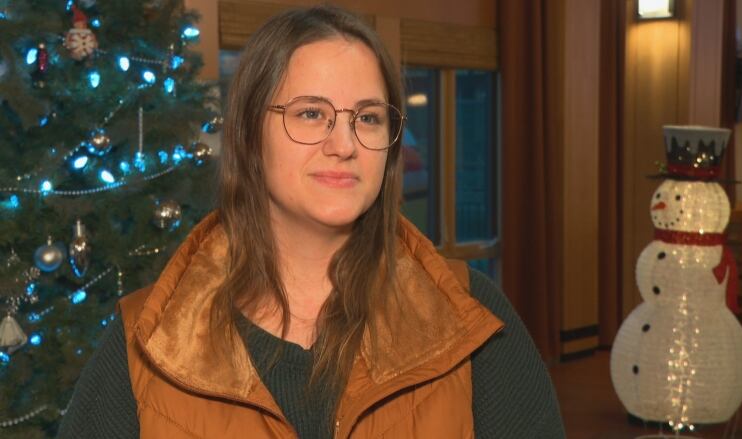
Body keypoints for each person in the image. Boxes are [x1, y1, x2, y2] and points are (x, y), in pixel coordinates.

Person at [57, 6, 564, 438]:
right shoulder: (145, 338)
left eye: (367, 117)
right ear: (250, 136)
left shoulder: (470, 315)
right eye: (310, 114)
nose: (343, 145)